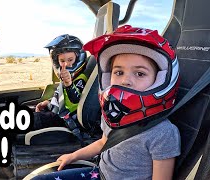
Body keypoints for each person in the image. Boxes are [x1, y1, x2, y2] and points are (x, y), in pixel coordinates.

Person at [33, 25, 181, 180]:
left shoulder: (163, 133)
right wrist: (72, 156)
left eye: (139, 73)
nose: (125, 80)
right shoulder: (114, 114)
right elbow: (102, 143)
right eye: (118, 72)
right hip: (99, 174)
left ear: (160, 80)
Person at [33, 34, 91, 141]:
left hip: (63, 119)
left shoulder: (80, 79)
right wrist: (50, 102)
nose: (66, 64)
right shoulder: (70, 77)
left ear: (79, 58)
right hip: (56, 112)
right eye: (62, 61)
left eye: (70, 60)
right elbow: (62, 97)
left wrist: (69, 84)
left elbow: (75, 101)